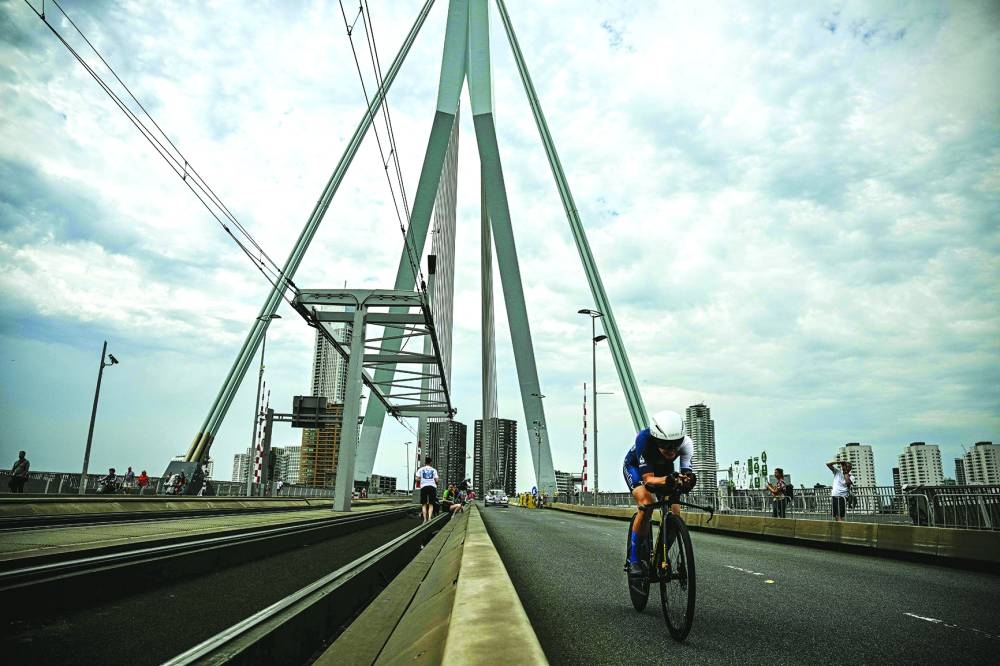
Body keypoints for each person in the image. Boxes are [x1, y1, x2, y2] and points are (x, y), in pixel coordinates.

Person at [623, 410, 697, 586]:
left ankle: (660, 556)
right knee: (647, 503)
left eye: (675, 444)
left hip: (664, 471)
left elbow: (686, 475)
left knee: (675, 513)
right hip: (636, 468)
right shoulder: (644, 439)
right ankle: (634, 559)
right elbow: (648, 480)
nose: (671, 450)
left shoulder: (687, 444)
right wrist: (668, 480)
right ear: (656, 439)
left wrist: (687, 481)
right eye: (665, 444)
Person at [414, 457, 439, 523]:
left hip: (424, 487)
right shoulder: (434, 470)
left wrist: (423, 479)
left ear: (425, 462)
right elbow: (437, 480)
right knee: (431, 504)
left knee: (424, 504)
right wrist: (435, 483)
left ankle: (425, 519)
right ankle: (429, 518)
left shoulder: (420, 469)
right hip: (432, 487)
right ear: (431, 462)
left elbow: (416, 479)